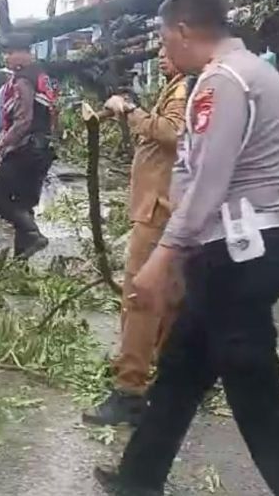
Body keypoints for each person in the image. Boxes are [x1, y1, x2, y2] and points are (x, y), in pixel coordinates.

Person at [96, 0, 279, 496]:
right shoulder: (260, 73)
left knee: (257, 394)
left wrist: (164, 256)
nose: (162, 48)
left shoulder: (223, 81)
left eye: (162, 37)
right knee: (179, 373)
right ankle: (137, 479)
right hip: (240, 249)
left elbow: (208, 180)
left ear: (183, 30)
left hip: (236, 256)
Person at [83, 47, 188, 427]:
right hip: (162, 207)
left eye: (167, 46)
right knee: (170, 299)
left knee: (140, 296)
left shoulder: (188, 88)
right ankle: (166, 378)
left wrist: (130, 111)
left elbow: (172, 133)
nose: (162, 54)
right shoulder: (178, 85)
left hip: (158, 211)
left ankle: (130, 388)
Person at [0, 32, 58, 259]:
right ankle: (20, 264)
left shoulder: (24, 79)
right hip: (42, 150)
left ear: (25, 52)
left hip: (26, 150)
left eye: (10, 52)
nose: (7, 58)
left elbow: (22, 121)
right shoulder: (42, 76)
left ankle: (34, 233)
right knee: (23, 206)